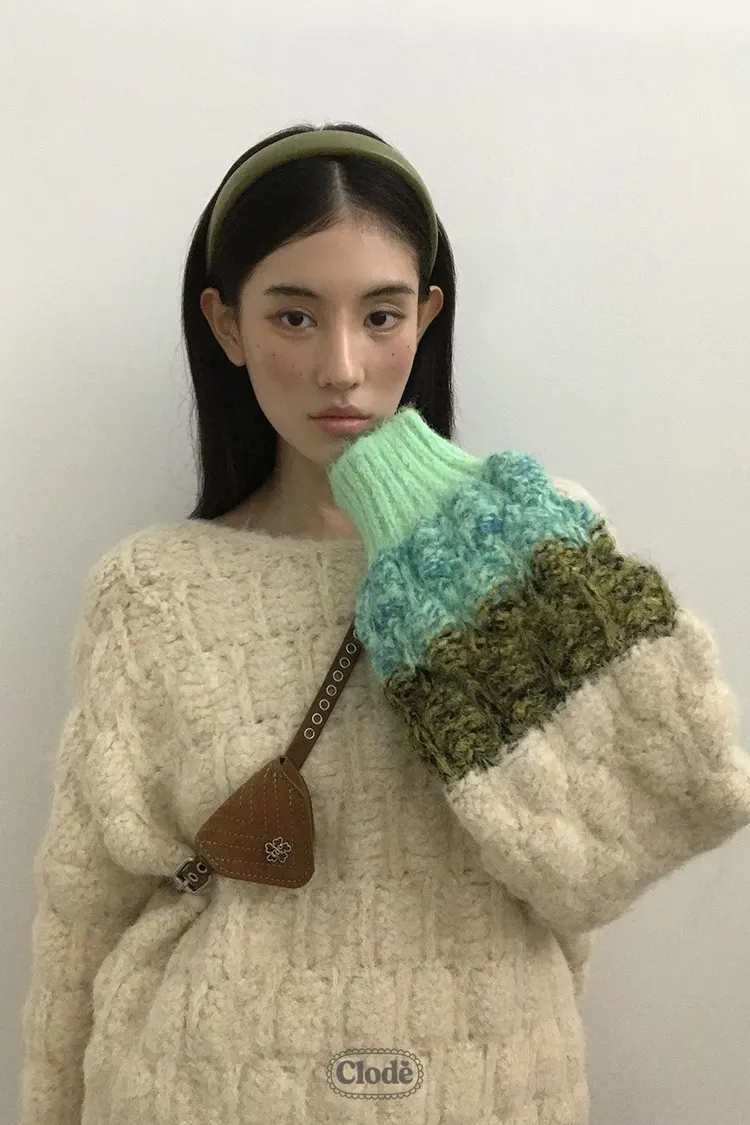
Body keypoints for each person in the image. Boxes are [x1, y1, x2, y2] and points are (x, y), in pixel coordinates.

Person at [18, 121, 750, 1125]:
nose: (342, 366)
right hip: (200, 1087)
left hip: (492, 1085)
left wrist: (488, 552)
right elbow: (83, 911)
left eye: (381, 314)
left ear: (427, 315)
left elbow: (610, 846)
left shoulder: (535, 544)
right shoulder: (152, 590)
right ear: (226, 325)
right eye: (293, 316)